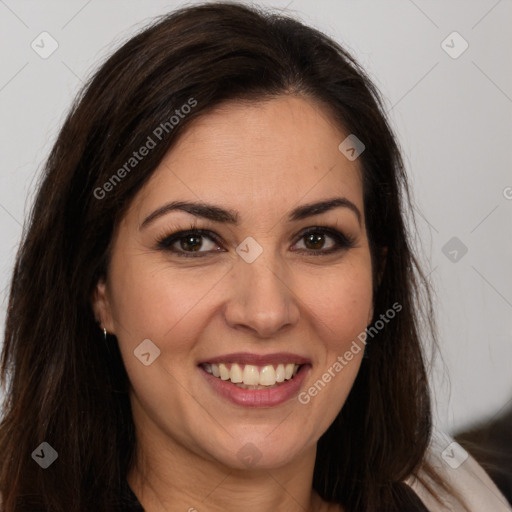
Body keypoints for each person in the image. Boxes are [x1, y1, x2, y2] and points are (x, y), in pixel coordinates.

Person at [0, 2, 509, 511]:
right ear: (98, 287)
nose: (266, 312)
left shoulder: (463, 502)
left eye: (316, 240)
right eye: (194, 241)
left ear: (378, 273)